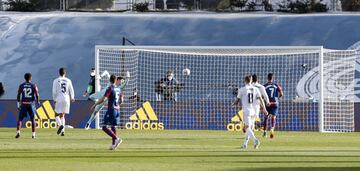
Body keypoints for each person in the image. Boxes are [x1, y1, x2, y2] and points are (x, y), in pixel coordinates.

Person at [232, 75, 268, 149]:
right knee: (249, 128)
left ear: (245, 81)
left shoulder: (242, 89)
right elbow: (261, 99)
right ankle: (245, 144)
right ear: (251, 81)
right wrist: (264, 109)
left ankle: (255, 140)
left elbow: (237, 100)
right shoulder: (256, 89)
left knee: (246, 128)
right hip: (253, 111)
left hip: (246, 111)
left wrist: (233, 104)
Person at [91, 75, 123, 150]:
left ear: (110, 80)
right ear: (115, 80)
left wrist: (95, 104)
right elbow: (121, 100)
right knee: (113, 126)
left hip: (111, 110)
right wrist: (117, 105)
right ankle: (113, 145)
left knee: (104, 127)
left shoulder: (110, 88)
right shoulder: (119, 89)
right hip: (117, 110)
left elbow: (104, 98)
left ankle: (117, 139)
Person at [15, 73, 40, 139]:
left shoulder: (21, 85)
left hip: (24, 104)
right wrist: (38, 101)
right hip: (31, 104)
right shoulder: (33, 85)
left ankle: (18, 132)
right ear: (31, 78)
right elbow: (37, 94)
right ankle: (33, 135)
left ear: (24, 78)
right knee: (32, 119)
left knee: (20, 119)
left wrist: (18, 104)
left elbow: (18, 95)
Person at [52, 67, 75, 136]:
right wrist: (72, 97)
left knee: (56, 114)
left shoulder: (56, 80)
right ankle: (63, 132)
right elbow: (71, 89)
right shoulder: (68, 80)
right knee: (62, 115)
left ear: (59, 73)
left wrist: (54, 99)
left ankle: (60, 125)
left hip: (59, 98)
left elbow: (54, 91)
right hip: (66, 99)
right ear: (65, 73)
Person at [263, 73, 284, 139]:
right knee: (273, 117)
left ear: (267, 78)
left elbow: (262, 96)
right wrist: (278, 98)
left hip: (268, 103)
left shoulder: (264, 86)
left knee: (266, 117)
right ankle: (272, 129)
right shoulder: (276, 85)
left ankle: (265, 132)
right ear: (272, 78)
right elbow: (281, 94)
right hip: (275, 102)